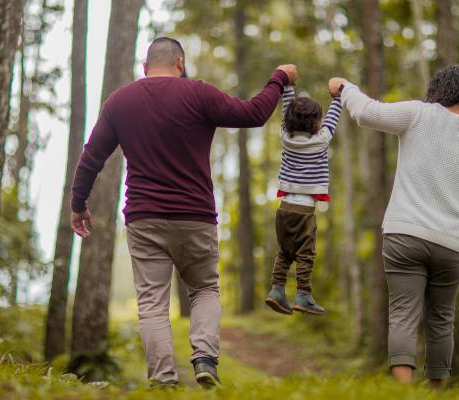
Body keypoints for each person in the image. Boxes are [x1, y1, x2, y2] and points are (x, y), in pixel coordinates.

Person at [69, 36, 297, 388]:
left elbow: (91, 157)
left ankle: (163, 380)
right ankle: (205, 359)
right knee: (205, 288)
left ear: (145, 68)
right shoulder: (198, 93)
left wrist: (78, 204)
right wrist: (279, 78)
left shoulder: (120, 101)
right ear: (181, 62)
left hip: (144, 218)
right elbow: (253, 114)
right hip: (195, 216)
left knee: (152, 304)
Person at [328, 65, 459, 387]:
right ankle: (435, 392)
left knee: (403, 314)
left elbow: (366, 113)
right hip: (452, 245)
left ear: (439, 90)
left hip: (405, 235)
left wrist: (345, 87)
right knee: (442, 321)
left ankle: (404, 391)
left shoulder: (418, 114)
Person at [264, 81, 343, 316]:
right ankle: (303, 295)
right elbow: (333, 117)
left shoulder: (285, 138)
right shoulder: (322, 139)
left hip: (284, 208)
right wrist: (337, 97)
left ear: (288, 121)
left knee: (284, 251)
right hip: (305, 211)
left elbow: (286, 108)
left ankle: (276, 289)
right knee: (305, 254)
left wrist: (288, 89)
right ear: (317, 124)